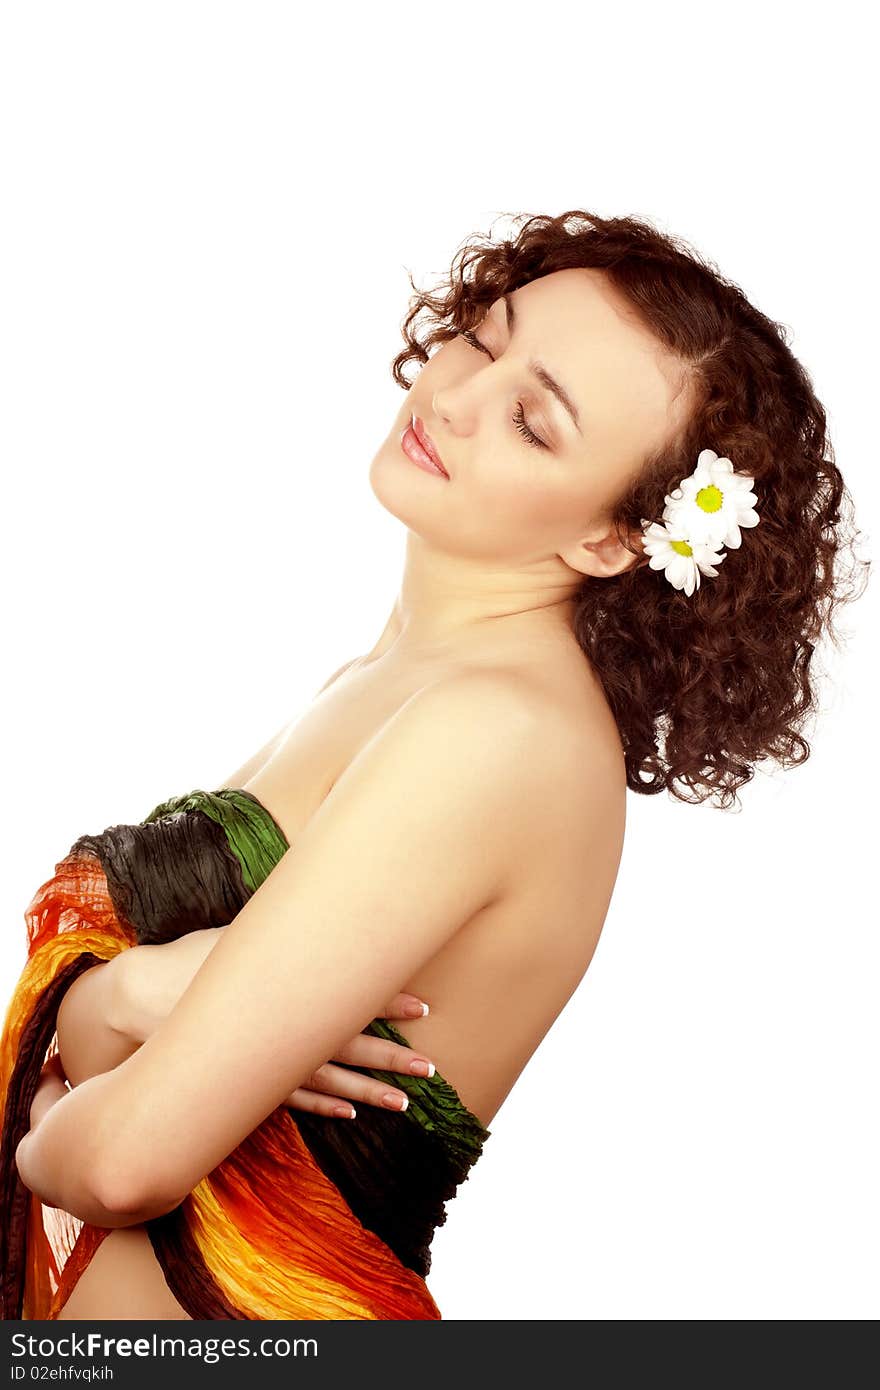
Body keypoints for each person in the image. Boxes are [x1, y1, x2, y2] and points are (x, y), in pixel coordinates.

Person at [0, 208, 866, 1321]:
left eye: (532, 422)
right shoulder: (395, 679)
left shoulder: (500, 728)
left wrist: (48, 1130)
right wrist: (134, 991)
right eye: (483, 339)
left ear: (610, 539)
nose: (453, 399)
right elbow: (105, 1034)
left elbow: (118, 1166)